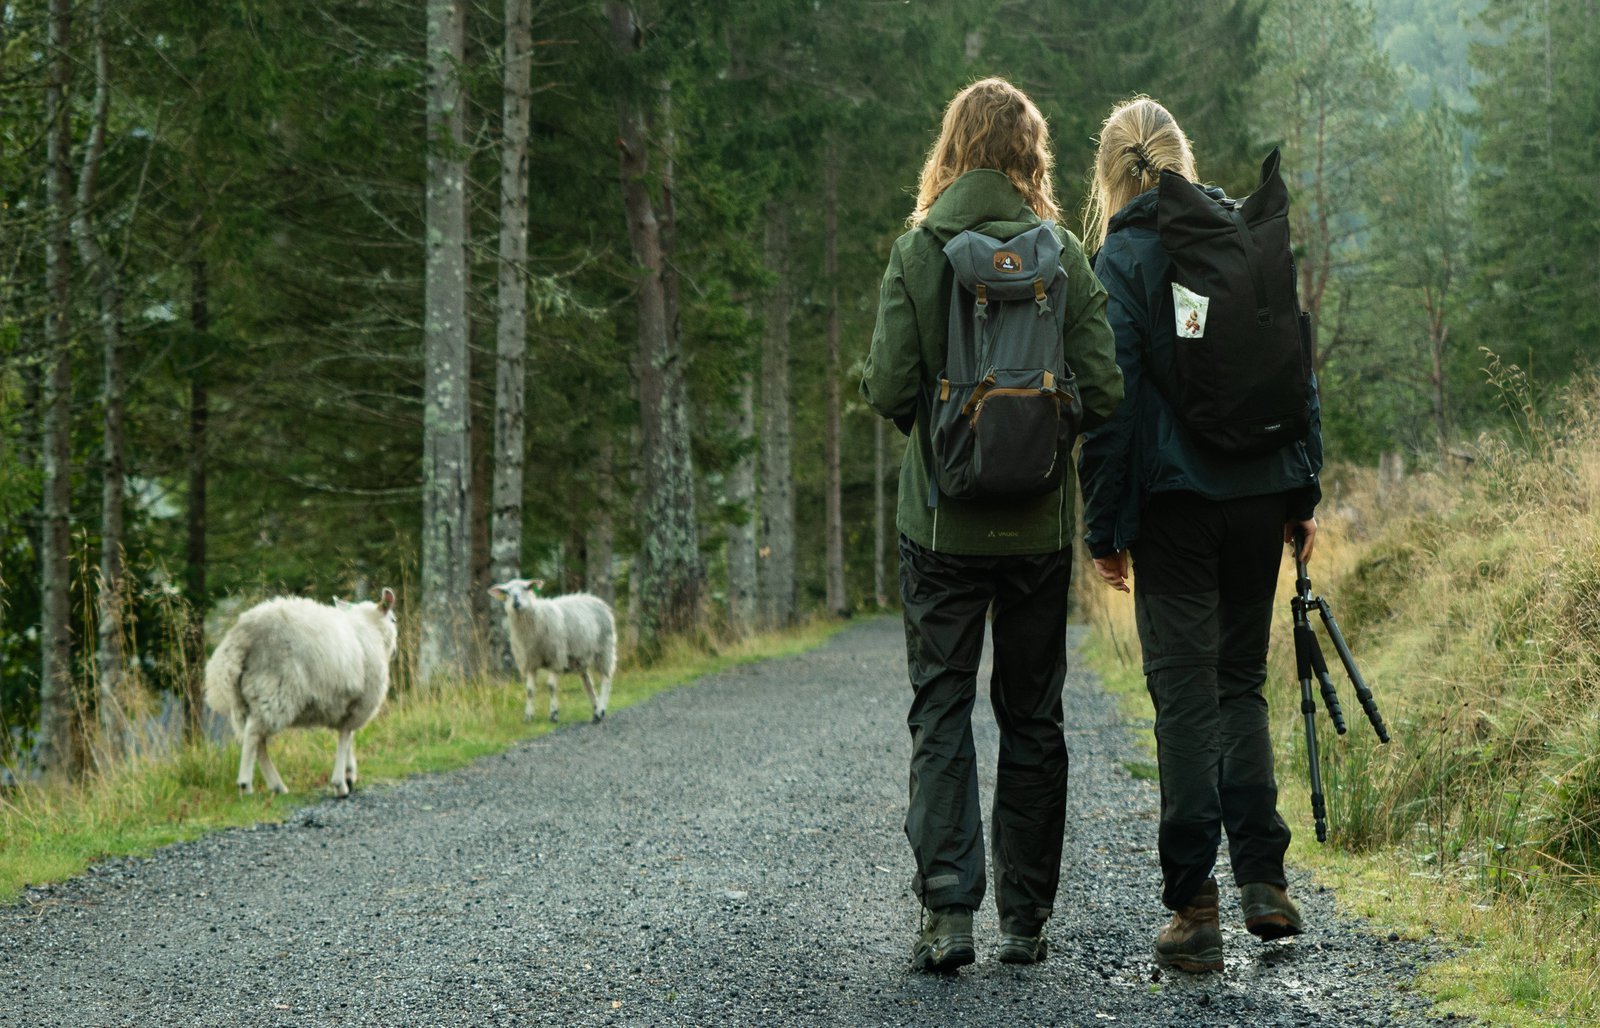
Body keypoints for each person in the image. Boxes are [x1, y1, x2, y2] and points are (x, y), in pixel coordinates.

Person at [860, 77, 1124, 972]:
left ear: (952, 149)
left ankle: (948, 917)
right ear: (1029, 156)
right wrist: (1044, 425)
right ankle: (1025, 919)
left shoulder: (919, 251)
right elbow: (1110, 387)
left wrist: (947, 431)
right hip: (1040, 533)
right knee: (1033, 715)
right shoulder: (1063, 257)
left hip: (938, 530)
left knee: (941, 709)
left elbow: (892, 387)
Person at [1077, 96, 1323, 973]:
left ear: (1109, 175)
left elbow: (1111, 408)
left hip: (1176, 508)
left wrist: (1103, 526)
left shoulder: (1121, 259)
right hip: (1261, 495)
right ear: (1184, 154)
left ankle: (1194, 909)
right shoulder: (1238, 231)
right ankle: (1266, 880)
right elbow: (1297, 366)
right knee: (1239, 685)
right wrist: (1303, 492)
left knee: (1184, 698)